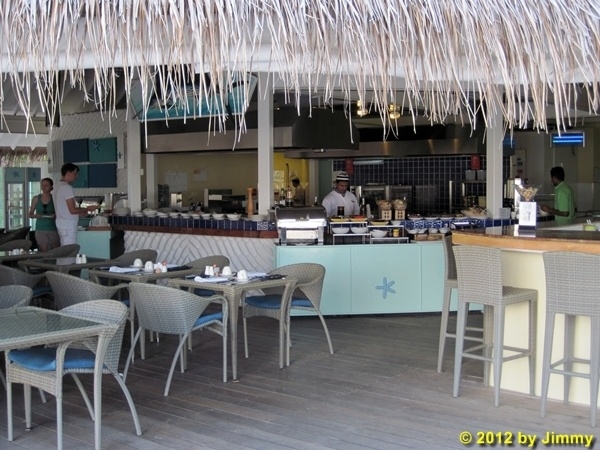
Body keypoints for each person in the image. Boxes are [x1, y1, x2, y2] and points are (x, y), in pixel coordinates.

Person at [53, 163, 98, 245]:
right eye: (75, 173)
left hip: (61, 222)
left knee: (65, 247)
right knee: (69, 248)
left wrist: (81, 212)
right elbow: (72, 210)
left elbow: (65, 208)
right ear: (68, 173)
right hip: (68, 224)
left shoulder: (57, 187)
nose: (77, 176)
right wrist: (87, 208)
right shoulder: (67, 188)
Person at [28, 177, 60, 252]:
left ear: (51, 187)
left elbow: (60, 212)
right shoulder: (36, 198)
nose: (44, 187)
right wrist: (35, 215)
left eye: (46, 185)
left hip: (53, 228)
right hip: (40, 228)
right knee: (43, 251)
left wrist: (55, 215)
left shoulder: (55, 198)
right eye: (42, 185)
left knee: (55, 251)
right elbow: (30, 214)